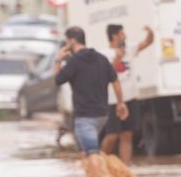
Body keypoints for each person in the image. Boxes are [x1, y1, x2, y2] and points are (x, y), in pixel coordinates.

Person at [54, 26, 127, 157]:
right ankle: (98, 174)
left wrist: (59, 59)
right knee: (88, 154)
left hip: (85, 116)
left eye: (66, 42)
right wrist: (120, 103)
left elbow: (57, 80)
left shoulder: (73, 62)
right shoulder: (101, 58)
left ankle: (102, 176)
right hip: (102, 115)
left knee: (92, 154)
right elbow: (115, 80)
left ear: (72, 41)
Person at [100, 24, 154, 165]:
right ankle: (100, 163)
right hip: (113, 101)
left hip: (130, 98)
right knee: (112, 135)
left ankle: (126, 168)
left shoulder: (129, 49)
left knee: (127, 135)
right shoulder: (104, 54)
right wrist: (117, 59)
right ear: (114, 36)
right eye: (122, 33)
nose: (125, 36)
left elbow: (147, 42)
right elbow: (107, 74)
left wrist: (150, 33)